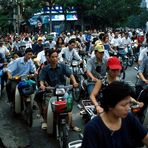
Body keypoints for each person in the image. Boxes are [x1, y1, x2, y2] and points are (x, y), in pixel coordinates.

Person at [82, 81, 148, 148]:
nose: (128, 108)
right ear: (110, 105)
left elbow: (145, 138)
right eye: (124, 105)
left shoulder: (130, 118)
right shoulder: (92, 128)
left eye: (129, 103)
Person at [35, 48, 81, 131]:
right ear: (49, 58)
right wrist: (42, 85)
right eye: (53, 57)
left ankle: (72, 125)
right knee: (46, 108)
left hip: (63, 90)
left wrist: (74, 82)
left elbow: (70, 74)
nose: (55, 59)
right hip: (51, 91)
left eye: (56, 57)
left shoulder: (63, 66)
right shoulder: (45, 68)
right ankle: (45, 121)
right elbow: (41, 79)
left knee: (68, 108)